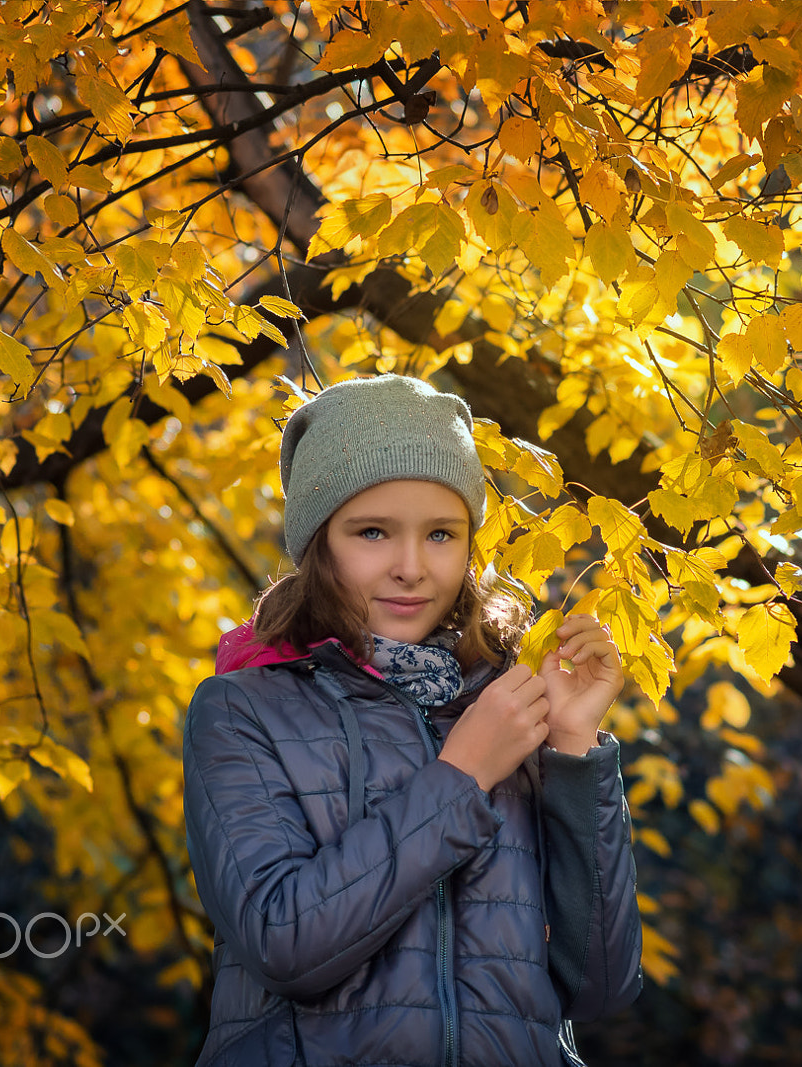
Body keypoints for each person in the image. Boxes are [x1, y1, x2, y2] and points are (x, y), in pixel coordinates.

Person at [181, 374, 643, 1066]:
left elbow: (599, 984)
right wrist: (461, 776)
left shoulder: (509, 708)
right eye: (372, 531)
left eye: (440, 534)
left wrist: (574, 749)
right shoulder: (243, 708)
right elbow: (285, 941)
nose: (410, 566)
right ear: (319, 542)